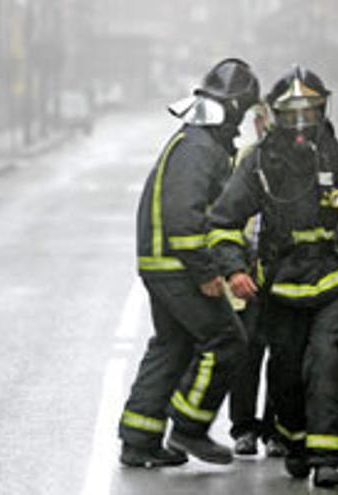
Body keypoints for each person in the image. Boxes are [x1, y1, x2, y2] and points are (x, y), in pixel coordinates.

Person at [206, 66, 338, 488]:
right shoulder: (261, 162)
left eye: (309, 112)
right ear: (277, 115)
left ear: (322, 110)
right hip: (280, 287)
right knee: (285, 372)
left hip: (332, 282)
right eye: (292, 114)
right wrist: (234, 269)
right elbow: (223, 222)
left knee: (327, 362)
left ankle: (327, 456)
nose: (301, 124)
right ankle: (295, 441)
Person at [118, 58, 260, 468]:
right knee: (226, 340)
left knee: (172, 346)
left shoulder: (197, 140)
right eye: (243, 111)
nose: (242, 122)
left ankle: (138, 441)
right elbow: (184, 217)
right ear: (233, 107)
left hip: (164, 264)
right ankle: (189, 428)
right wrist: (206, 273)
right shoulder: (199, 148)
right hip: (178, 268)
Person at [227, 106, 288, 458]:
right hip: (250, 270)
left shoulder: (303, 159)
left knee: (283, 351)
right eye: (264, 121)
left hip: (286, 270)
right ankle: (244, 428)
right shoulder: (247, 160)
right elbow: (227, 213)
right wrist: (234, 267)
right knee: (248, 350)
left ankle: (276, 428)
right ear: (258, 124)